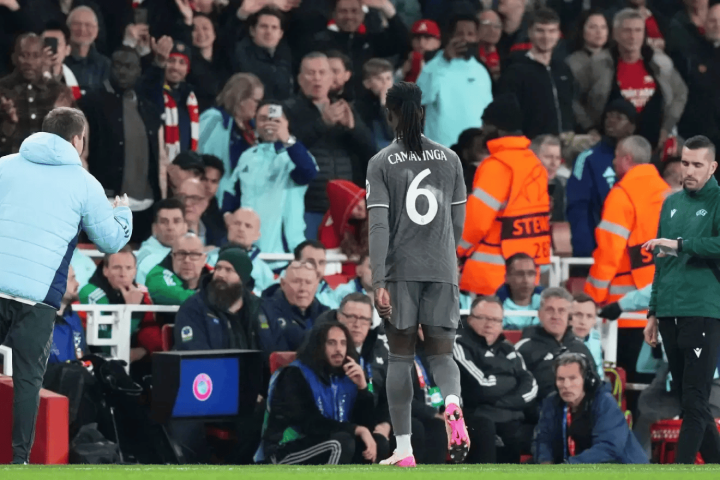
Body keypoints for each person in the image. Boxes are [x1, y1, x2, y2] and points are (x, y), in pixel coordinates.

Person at [0, 107, 132, 464]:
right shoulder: (84, 183)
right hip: (38, 298)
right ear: (78, 139)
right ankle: (18, 462)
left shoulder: (5, 165)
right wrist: (123, 213)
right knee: (27, 381)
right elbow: (111, 242)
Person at [366, 81, 469, 466]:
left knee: (400, 357)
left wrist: (379, 279)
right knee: (442, 354)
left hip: (400, 272)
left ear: (390, 114)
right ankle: (453, 403)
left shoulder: (380, 162)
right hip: (442, 269)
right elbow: (458, 224)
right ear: (422, 113)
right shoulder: (451, 159)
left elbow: (379, 226)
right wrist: (443, 257)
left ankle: (404, 450)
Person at [643, 135, 720, 463]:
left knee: (694, 401)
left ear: (712, 167)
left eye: (697, 165)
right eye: (685, 163)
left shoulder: (718, 200)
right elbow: (661, 262)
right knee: (691, 402)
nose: (688, 170)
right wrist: (653, 312)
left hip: (702, 310)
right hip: (670, 311)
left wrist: (681, 244)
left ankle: (679, 471)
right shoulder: (670, 203)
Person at [254, 321, 388, 464]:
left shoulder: (348, 377)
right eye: (331, 343)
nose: (338, 349)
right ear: (319, 346)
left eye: (343, 343)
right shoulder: (294, 374)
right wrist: (357, 429)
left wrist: (362, 388)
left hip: (330, 441)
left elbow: (367, 426)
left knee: (378, 443)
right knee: (339, 443)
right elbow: (310, 423)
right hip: (284, 450)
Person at [457, 93, 550, 296]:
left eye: (485, 125)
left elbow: (476, 222)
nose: (482, 131)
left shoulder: (497, 166)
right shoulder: (535, 164)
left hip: (491, 276)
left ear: (497, 129)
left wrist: (456, 251)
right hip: (529, 274)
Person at [283, 52, 375, 239]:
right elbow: (288, 148)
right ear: (300, 79)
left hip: (344, 205)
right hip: (306, 204)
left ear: (331, 78)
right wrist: (322, 124)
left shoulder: (345, 108)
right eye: (310, 73)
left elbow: (371, 153)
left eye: (322, 72)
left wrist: (354, 128)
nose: (317, 78)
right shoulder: (289, 109)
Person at [79, 46, 164, 244]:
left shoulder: (149, 109)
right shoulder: (90, 103)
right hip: (105, 203)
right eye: (118, 65)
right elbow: (81, 155)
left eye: (129, 66)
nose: (123, 71)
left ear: (139, 71)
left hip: (145, 205)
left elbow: (160, 159)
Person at [574, 8, 688, 151]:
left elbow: (681, 93)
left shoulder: (660, 63)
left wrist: (666, 127)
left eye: (638, 30)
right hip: (609, 147)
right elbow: (573, 97)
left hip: (653, 146)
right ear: (615, 34)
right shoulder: (598, 65)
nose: (633, 36)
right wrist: (590, 128)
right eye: (627, 30)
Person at [224, 100, 317, 252]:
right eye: (263, 118)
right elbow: (232, 191)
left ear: (286, 123)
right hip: (246, 247)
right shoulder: (247, 156)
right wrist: (228, 215)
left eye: (276, 120)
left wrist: (287, 139)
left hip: (282, 250)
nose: (269, 123)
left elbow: (308, 173)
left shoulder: (294, 155)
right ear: (255, 123)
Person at [454, 296, 538, 463]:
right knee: (486, 428)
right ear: (470, 319)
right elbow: (480, 387)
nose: (489, 324)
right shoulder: (458, 344)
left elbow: (530, 385)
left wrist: (502, 400)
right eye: (483, 318)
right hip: (474, 416)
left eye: (495, 320)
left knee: (520, 430)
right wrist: (511, 381)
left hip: (507, 416)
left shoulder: (507, 348)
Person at [534, 353, 648, 464]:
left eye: (572, 378)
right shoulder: (552, 402)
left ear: (587, 380)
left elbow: (609, 448)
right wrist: (545, 463)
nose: (566, 385)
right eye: (561, 379)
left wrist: (568, 466)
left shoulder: (604, 402)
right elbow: (543, 439)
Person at [566, 98, 637, 257]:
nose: (611, 121)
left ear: (631, 127)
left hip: (634, 253)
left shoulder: (641, 160)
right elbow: (579, 207)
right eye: (609, 116)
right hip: (598, 252)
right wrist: (584, 251)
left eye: (619, 117)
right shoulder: (588, 158)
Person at [415, 13, 493, 148]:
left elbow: (487, 112)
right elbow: (419, 99)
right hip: (441, 149)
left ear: (477, 38)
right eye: (460, 34)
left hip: (473, 150)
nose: (465, 38)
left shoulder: (481, 71)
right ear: (450, 37)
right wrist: (444, 61)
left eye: (470, 34)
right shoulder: (432, 66)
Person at [499, 8, 575, 138]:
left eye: (552, 31)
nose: (546, 37)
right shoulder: (515, 70)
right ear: (529, 32)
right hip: (532, 143)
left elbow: (570, 105)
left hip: (565, 141)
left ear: (558, 34)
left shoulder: (563, 69)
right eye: (540, 30)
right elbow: (508, 115)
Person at [78, 247, 162, 364]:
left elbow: (153, 332)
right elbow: (106, 346)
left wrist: (144, 350)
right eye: (117, 268)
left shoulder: (142, 293)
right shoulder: (91, 293)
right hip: (96, 360)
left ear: (135, 271)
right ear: (105, 270)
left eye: (129, 268)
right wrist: (132, 310)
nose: (123, 274)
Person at [515, 287, 596, 403]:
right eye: (550, 310)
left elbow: (595, 386)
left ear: (569, 316)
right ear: (540, 314)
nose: (555, 316)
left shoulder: (581, 349)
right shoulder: (523, 349)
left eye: (561, 311)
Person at [198, 72, 264, 212]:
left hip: (244, 203)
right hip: (213, 202)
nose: (259, 107)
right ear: (241, 99)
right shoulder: (214, 119)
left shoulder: (252, 129)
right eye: (256, 101)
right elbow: (199, 158)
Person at [175, 245, 262, 350]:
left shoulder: (258, 308)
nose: (220, 274)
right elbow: (193, 352)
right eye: (218, 268)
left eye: (228, 270)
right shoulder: (194, 308)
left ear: (242, 278)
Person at [0, 34, 74, 156]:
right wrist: (9, 123)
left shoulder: (59, 91)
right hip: (13, 164)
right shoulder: (3, 90)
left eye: (35, 56)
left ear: (44, 58)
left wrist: (59, 118)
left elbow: (74, 142)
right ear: (14, 58)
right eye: (24, 55)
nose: (29, 62)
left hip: (49, 164)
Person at [260, 260, 330, 353]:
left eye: (308, 282)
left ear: (316, 285)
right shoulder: (263, 312)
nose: (303, 288)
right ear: (283, 284)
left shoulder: (326, 315)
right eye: (296, 281)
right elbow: (267, 347)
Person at [206, 208, 275, 294]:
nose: (241, 229)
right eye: (237, 223)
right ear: (229, 228)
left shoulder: (264, 272)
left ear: (257, 235)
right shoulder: (208, 259)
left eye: (248, 226)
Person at [232, 7, 293, 101]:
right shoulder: (240, 54)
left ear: (280, 34)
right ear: (252, 31)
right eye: (264, 26)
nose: (269, 32)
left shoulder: (286, 55)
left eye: (274, 27)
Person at [145, 232, 211, 306]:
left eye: (194, 254)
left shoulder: (213, 274)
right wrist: (209, 297)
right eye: (181, 253)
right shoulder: (156, 275)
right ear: (173, 257)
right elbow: (179, 297)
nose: (187, 260)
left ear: (204, 259)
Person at [319, 179, 368, 278]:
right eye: (352, 205)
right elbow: (330, 269)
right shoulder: (329, 229)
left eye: (360, 199)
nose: (360, 207)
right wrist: (356, 270)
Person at [135, 199, 188, 285]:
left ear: (185, 227)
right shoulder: (147, 258)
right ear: (154, 228)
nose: (170, 227)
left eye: (176, 221)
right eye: (164, 222)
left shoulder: (194, 251)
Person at [64, 6, 111, 93]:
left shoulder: (105, 65)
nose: (82, 29)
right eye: (76, 24)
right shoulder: (58, 61)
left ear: (96, 31)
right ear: (67, 28)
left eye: (88, 25)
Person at [495, 253, 543, 330]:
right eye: (520, 274)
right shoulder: (494, 309)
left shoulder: (548, 306)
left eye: (530, 274)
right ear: (507, 277)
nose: (526, 280)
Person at [356, 58, 394, 150]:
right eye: (379, 79)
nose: (385, 83)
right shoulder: (359, 107)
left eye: (388, 78)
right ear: (367, 83)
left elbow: (392, 135)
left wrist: (385, 106)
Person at [42, 22, 82, 101]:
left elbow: (77, 101)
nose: (51, 49)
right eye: (46, 43)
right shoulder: (26, 76)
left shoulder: (75, 78)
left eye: (56, 43)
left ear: (67, 50)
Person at [531, 135, 566, 221]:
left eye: (558, 158)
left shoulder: (559, 185)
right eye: (548, 157)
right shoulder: (521, 187)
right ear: (533, 157)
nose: (554, 163)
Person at [570, 294, 604, 378]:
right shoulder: (557, 342)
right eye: (578, 315)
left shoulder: (596, 341)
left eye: (589, 316)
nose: (583, 322)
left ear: (594, 320)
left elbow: (599, 375)